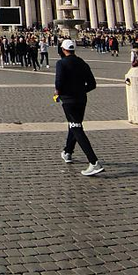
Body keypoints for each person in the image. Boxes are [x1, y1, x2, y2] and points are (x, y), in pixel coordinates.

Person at [55, 39, 103, 176]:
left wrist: (60, 93)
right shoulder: (83, 63)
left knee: (76, 128)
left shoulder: (61, 63)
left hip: (68, 101)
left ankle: (94, 162)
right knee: (74, 125)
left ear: (63, 50)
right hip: (81, 100)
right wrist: (81, 91)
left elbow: (58, 83)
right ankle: (67, 152)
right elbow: (92, 84)